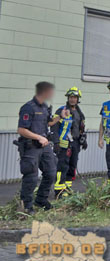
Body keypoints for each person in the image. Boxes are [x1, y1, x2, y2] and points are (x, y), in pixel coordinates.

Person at [16, 81, 63, 214]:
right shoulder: (28, 108)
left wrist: (60, 117)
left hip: (45, 146)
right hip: (31, 147)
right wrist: (38, 137)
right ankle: (26, 206)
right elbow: (21, 130)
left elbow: (48, 122)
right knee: (31, 176)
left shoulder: (44, 107)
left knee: (51, 172)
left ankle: (41, 200)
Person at [53, 87, 87, 198]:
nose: (72, 99)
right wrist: (56, 142)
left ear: (78, 99)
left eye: (75, 97)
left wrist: (83, 139)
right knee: (62, 167)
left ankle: (67, 189)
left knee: (72, 166)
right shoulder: (61, 111)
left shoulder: (79, 112)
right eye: (71, 97)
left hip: (75, 143)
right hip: (64, 144)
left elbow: (81, 127)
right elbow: (54, 127)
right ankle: (59, 191)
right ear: (68, 98)